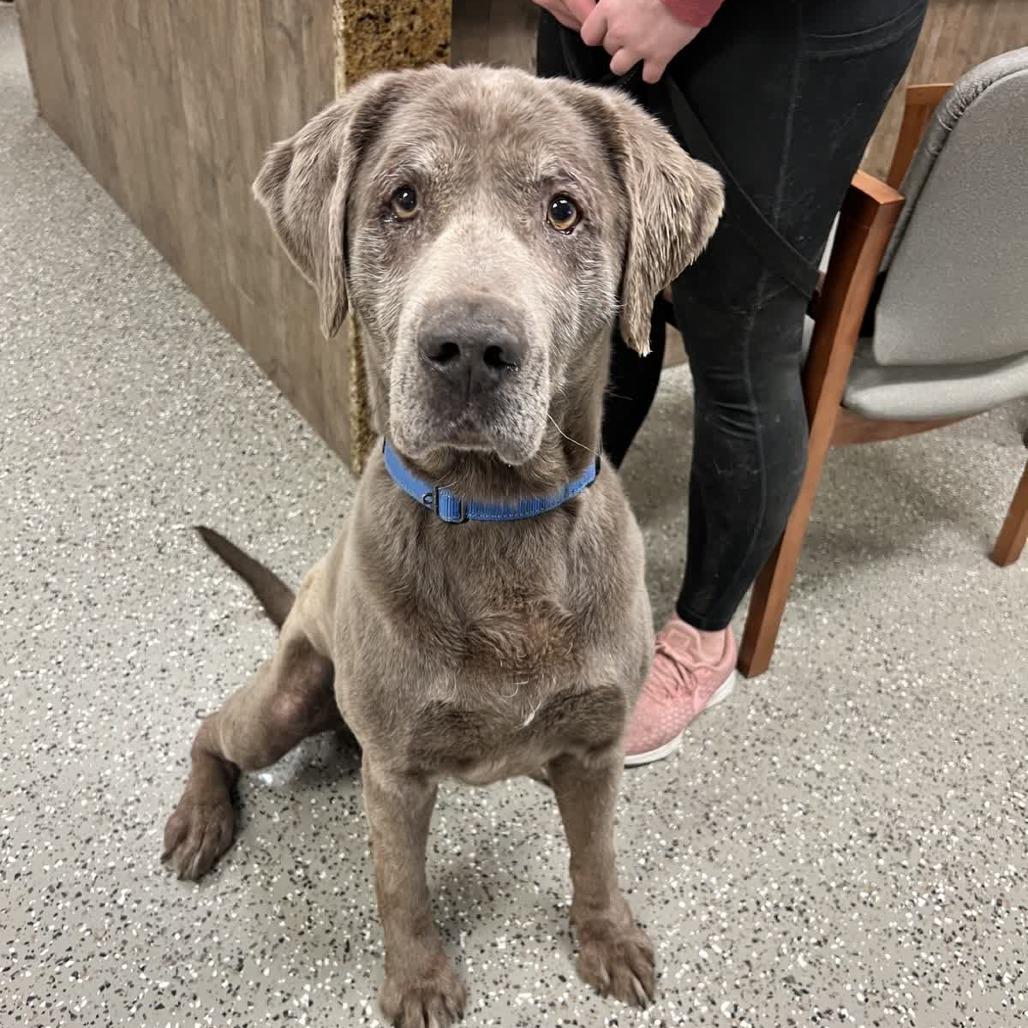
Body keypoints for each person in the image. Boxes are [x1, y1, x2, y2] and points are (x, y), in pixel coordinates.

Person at [532, 0, 927, 764]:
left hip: (788, 25)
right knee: (601, 286)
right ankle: (552, 538)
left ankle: (702, 641)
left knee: (739, 335)